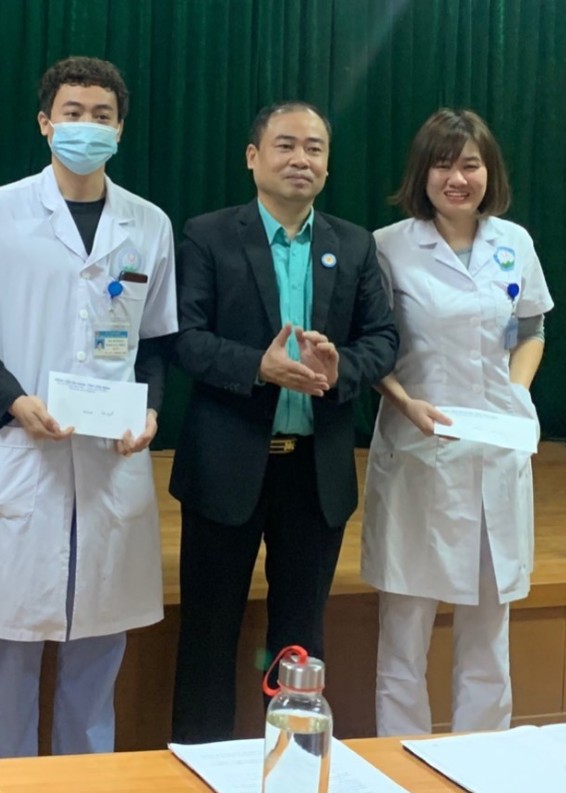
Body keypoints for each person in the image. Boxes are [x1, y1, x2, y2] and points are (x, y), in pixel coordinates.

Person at [0, 56, 177, 763]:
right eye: (73, 113)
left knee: (99, 650)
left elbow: (157, 340)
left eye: (102, 115)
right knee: (11, 651)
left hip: (110, 457)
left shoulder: (148, 223)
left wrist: (151, 411)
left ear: (120, 129)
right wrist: (11, 399)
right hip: (25, 448)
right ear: (45, 122)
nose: (87, 126)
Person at [169, 101, 399, 743]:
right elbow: (184, 336)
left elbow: (383, 339)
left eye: (315, 149)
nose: (302, 159)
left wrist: (342, 367)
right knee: (208, 635)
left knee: (301, 640)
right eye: (286, 145)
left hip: (315, 474)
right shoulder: (209, 235)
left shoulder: (353, 244)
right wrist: (258, 366)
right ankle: (200, 767)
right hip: (226, 467)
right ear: (253, 157)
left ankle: (294, 763)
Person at [362, 108, 554, 736]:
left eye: (470, 164)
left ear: (489, 171)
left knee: (488, 633)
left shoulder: (514, 242)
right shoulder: (389, 246)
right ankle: (401, 760)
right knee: (405, 635)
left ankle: (485, 761)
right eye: (443, 165)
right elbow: (370, 346)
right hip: (420, 452)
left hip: (496, 451)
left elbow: (531, 328)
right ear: (422, 174)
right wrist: (403, 401)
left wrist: (515, 393)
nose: (457, 178)